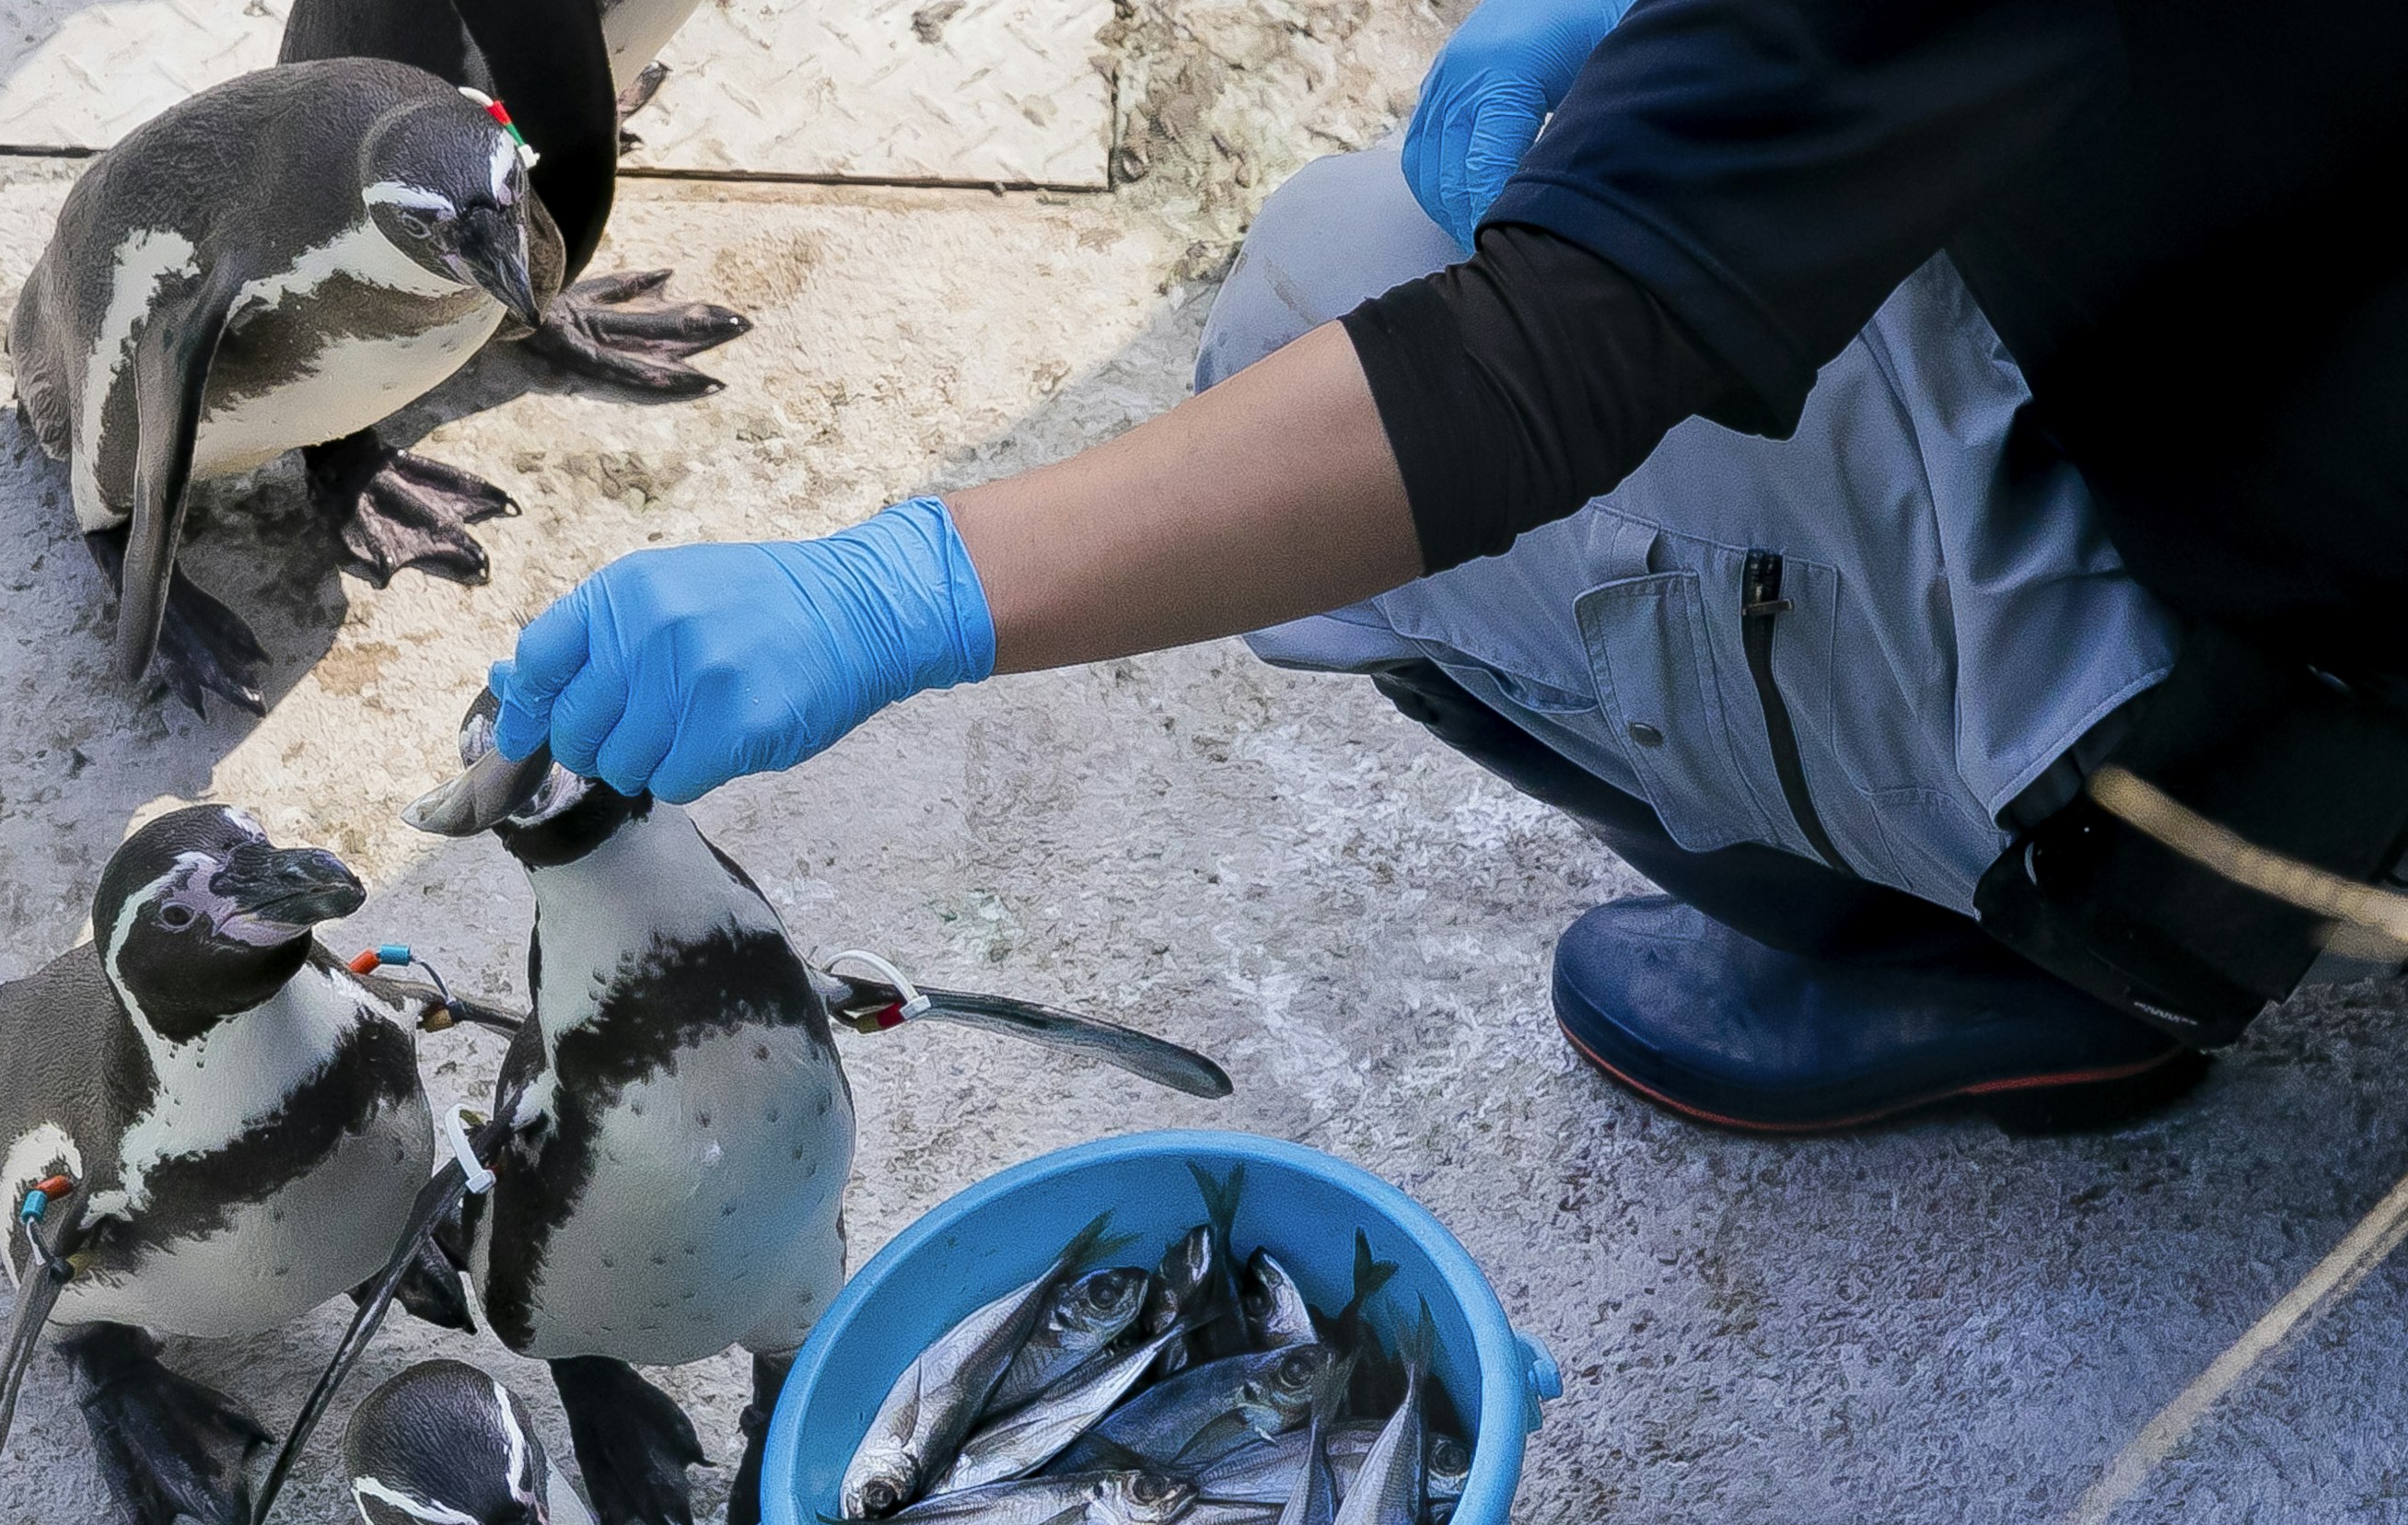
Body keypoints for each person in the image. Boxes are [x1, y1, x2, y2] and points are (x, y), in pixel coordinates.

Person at [483, 0, 2408, 1134]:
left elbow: (1537, 369)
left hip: (2301, 723)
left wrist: (897, 589)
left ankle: (2072, 957)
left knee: (1333, 277)